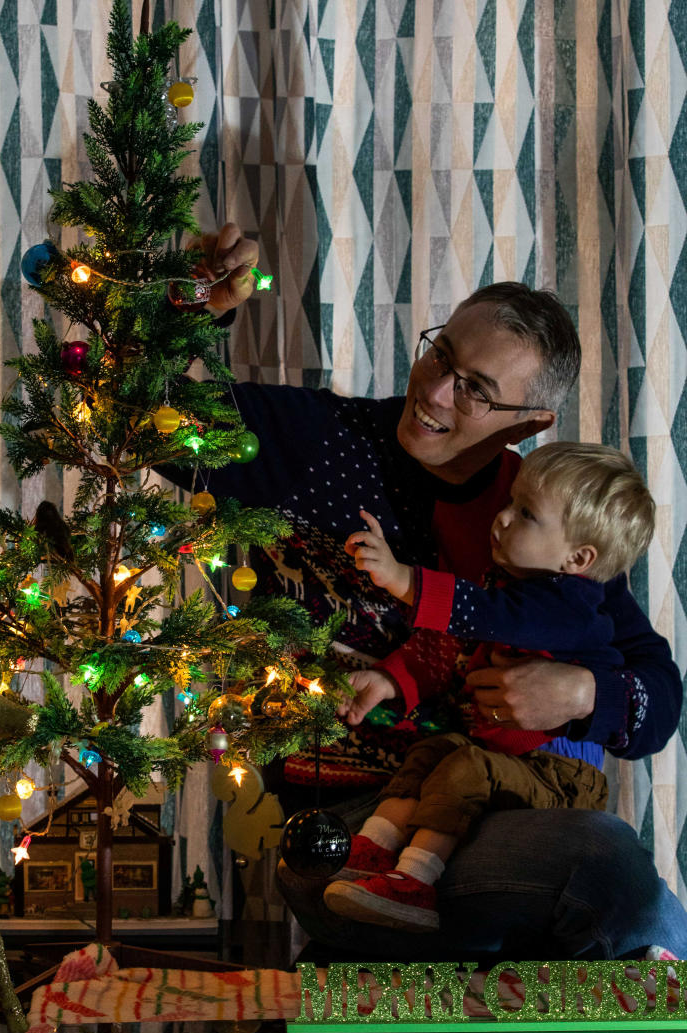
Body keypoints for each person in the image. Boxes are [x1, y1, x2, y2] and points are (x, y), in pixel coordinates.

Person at [180, 222, 686, 961]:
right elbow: (148, 421)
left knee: (605, 864)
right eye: (441, 353)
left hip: (496, 805)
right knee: (607, 870)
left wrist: (579, 693)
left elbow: (657, 694)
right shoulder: (325, 444)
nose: (437, 390)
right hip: (346, 821)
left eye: (476, 390)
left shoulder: (539, 519)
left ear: (532, 422)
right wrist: (196, 302)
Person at [320, 442, 653, 931]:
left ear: (577, 558)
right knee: (430, 755)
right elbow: (445, 648)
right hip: (505, 756)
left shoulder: (570, 609)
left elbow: (487, 615)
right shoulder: (512, 587)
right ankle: (373, 849)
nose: (500, 519)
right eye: (509, 503)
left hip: (557, 775)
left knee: (465, 770)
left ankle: (416, 882)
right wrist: (389, 680)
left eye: (526, 514)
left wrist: (403, 581)